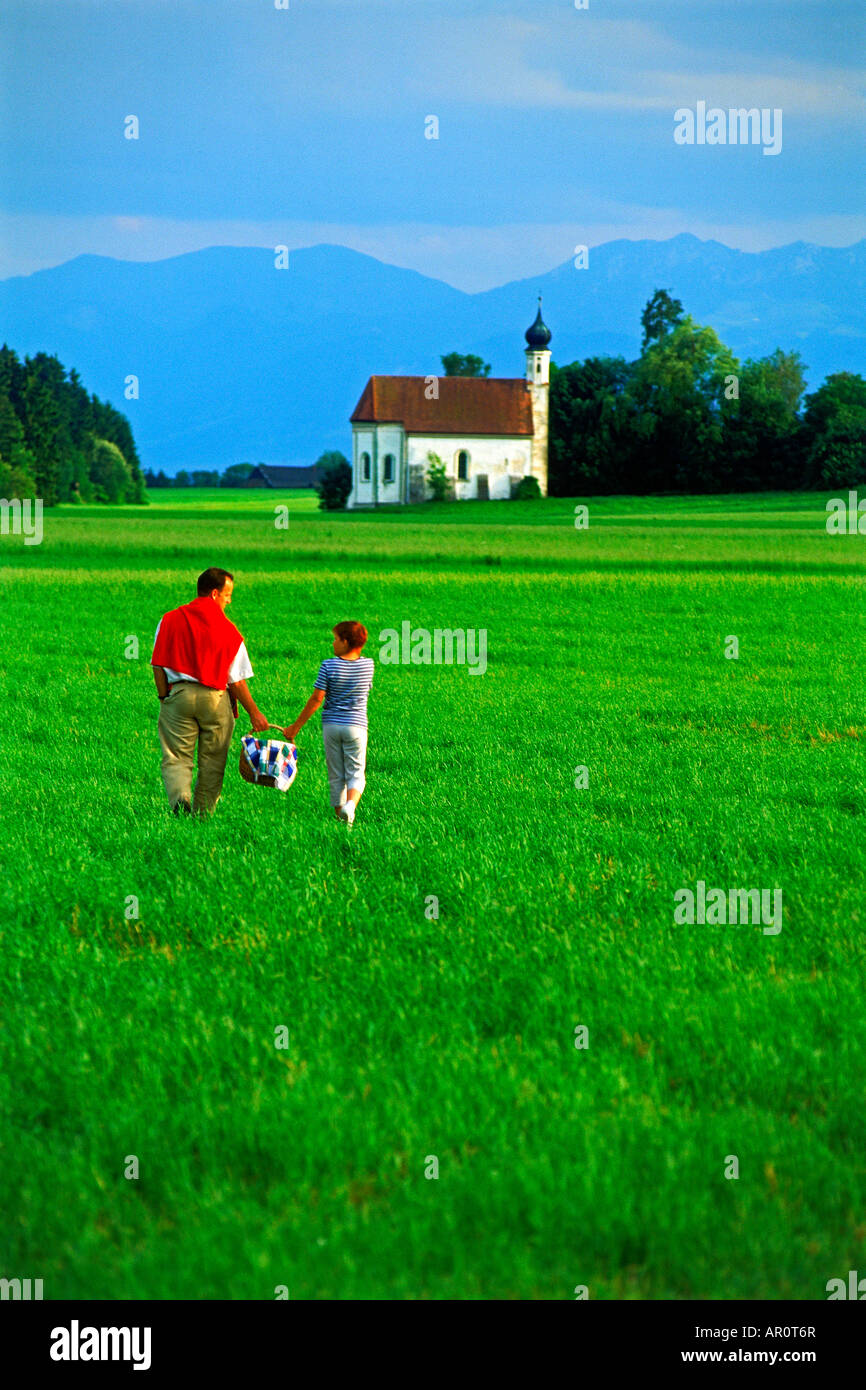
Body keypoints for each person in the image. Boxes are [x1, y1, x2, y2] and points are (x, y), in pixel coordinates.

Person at [151, 567, 268, 815]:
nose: (229, 601)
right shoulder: (229, 630)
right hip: (216, 699)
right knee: (213, 761)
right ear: (215, 594)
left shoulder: (169, 619)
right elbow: (236, 682)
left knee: (176, 756)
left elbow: (157, 664)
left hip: (179, 695)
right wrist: (255, 713)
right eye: (227, 595)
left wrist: (164, 697)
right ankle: (203, 815)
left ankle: (180, 798)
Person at [283, 621, 374, 824]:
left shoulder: (328, 665)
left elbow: (317, 698)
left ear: (346, 642)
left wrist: (295, 727)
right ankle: (350, 806)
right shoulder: (368, 665)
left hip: (331, 726)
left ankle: (341, 818)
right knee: (356, 773)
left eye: (336, 639)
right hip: (356, 726)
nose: (333, 643)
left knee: (336, 774)